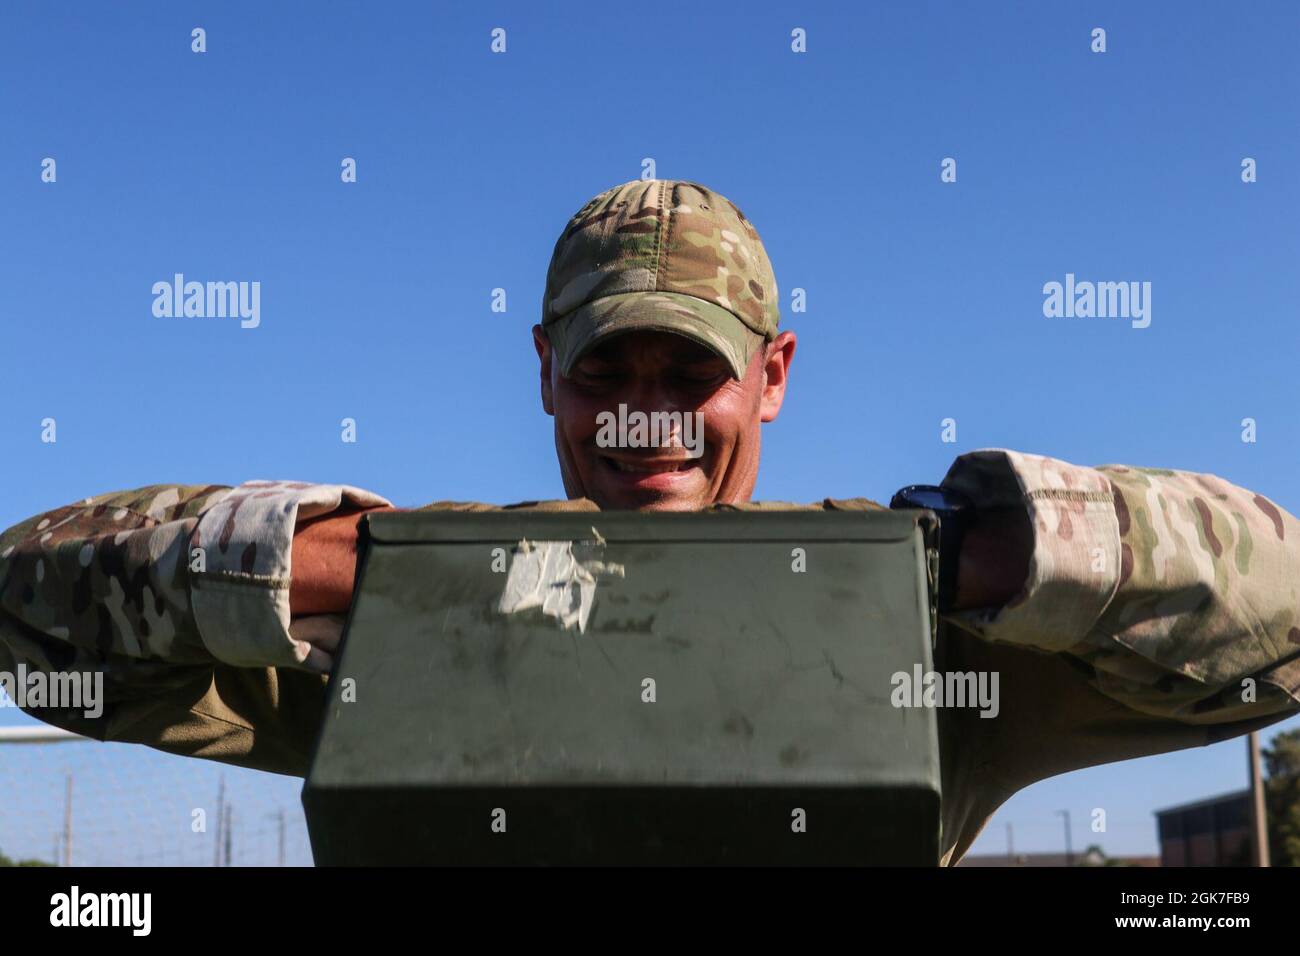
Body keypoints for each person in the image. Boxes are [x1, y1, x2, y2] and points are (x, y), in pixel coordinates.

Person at [2, 179, 1297, 865]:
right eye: (606, 378)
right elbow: (25, 619)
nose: (643, 419)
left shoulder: (923, 619)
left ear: (775, 375)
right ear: (544, 373)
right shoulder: (416, 611)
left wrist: (1018, 550)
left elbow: (1280, 635)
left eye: (691, 378)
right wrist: (306, 568)